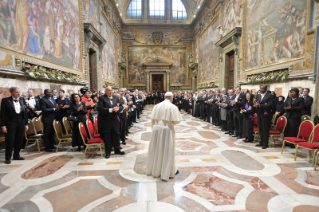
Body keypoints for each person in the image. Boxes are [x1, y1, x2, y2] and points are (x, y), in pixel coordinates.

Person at [146, 92, 182, 182]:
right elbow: (177, 120)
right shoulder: (173, 107)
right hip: (167, 130)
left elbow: (152, 119)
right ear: (171, 98)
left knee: (157, 149)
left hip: (156, 129)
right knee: (167, 150)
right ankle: (167, 172)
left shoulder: (156, 106)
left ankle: (155, 170)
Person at [1, 87, 29, 164]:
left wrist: (26, 124)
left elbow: (24, 113)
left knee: (19, 140)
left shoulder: (21, 99)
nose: (19, 94)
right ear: (12, 93)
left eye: (19, 92)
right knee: (10, 141)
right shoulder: (5, 101)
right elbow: (2, 114)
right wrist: (3, 126)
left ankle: (16, 155)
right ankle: (8, 158)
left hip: (21, 123)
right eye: (17, 92)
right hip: (11, 123)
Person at [97, 86, 124, 159]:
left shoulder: (116, 98)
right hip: (106, 121)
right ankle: (108, 152)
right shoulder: (102, 98)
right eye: (108, 90)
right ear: (105, 91)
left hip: (114, 120)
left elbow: (121, 106)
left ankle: (117, 149)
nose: (110, 92)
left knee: (116, 134)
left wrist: (118, 108)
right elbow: (99, 109)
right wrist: (110, 110)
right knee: (107, 136)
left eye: (111, 90)